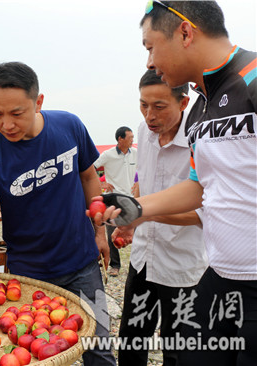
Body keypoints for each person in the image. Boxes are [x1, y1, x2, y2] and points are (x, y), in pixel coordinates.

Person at [95, 2, 256, 365]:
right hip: (219, 277)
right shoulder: (200, 108)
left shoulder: (253, 76)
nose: (149, 62)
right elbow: (200, 187)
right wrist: (135, 209)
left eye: (150, 47)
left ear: (185, 32)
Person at [0, 62, 116, 366]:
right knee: (36, 355)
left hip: (83, 266)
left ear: (38, 102)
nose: (7, 124)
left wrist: (99, 230)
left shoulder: (69, 126)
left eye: (17, 113)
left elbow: (89, 177)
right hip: (28, 278)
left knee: (100, 346)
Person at [117, 69, 208, 366]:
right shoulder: (144, 133)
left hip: (182, 262)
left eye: (159, 107)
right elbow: (146, 175)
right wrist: (135, 222)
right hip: (143, 256)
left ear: (183, 103)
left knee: (178, 347)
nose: (149, 115)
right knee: (131, 338)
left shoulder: (200, 141)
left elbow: (201, 214)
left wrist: (142, 214)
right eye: (143, 105)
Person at [93, 126, 137, 276]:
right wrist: (101, 183)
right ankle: (115, 265)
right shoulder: (108, 155)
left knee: (136, 231)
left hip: (131, 198)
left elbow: (144, 169)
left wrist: (139, 182)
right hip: (114, 198)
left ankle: (137, 266)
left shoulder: (136, 154)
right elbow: (91, 168)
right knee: (113, 232)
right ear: (120, 139)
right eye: (130, 137)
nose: (133, 140)